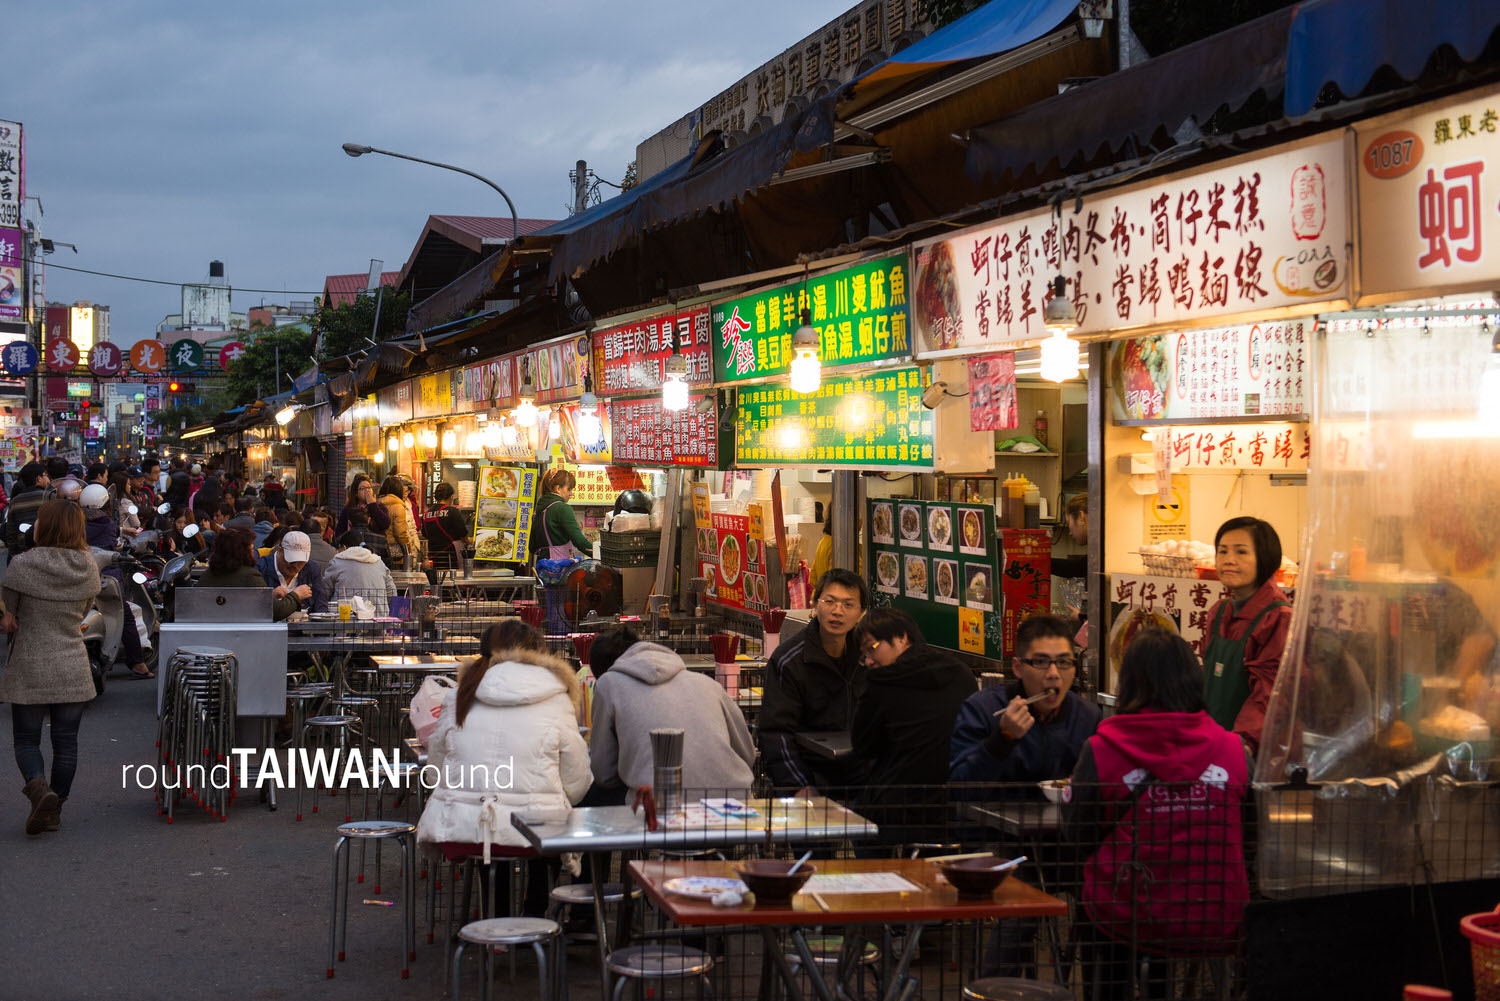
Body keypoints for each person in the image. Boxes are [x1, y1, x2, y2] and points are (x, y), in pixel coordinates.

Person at [1066, 629, 1252, 998]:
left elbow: (1078, 837)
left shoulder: (1103, 750)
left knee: (1091, 899)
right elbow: (1250, 835)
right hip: (1214, 916)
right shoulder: (1234, 751)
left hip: (1123, 917)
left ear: (1129, 682)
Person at [416, 620, 590, 916]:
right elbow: (577, 782)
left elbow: (434, 774)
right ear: (539, 654)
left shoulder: (459, 695)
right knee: (542, 822)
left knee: (489, 826)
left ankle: (493, 918)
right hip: (536, 835)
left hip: (461, 828)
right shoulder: (557, 697)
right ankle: (534, 915)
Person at [0, 500, 102, 835]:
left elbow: (9, 616)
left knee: (27, 740)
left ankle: (40, 790)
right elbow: (86, 608)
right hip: (72, 660)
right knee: (66, 742)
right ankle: (55, 808)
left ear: (46, 526)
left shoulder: (22, 564)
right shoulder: (88, 566)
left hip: (30, 661)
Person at [850, 608, 976, 846]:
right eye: (864, 654)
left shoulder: (882, 681)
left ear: (902, 637)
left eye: (872, 648)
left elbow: (862, 745)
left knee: (858, 813)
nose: (868, 661)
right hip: (956, 808)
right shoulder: (960, 671)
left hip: (897, 810)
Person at [586, 624, 756, 800]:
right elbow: (747, 754)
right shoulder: (707, 683)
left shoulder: (608, 684)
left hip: (662, 808)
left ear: (605, 670)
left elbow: (604, 774)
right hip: (737, 806)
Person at [949, 613, 1101, 787]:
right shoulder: (982, 709)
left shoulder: (1088, 717)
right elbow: (959, 790)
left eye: (1064, 661)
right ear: (1017, 668)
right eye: (1040, 661)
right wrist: (1003, 738)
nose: (1054, 673)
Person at [759, 568, 870, 792]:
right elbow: (775, 733)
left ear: (862, 613)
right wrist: (799, 786)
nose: (837, 611)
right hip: (810, 775)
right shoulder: (789, 660)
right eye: (830, 601)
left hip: (862, 779)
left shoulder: (869, 657)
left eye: (848, 605)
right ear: (815, 604)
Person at [1204, 516, 1292, 755]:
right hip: (1214, 742)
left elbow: (1270, 694)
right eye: (1222, 551)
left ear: (1264, 558)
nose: (1228, 560)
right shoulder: (1219, 612)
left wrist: (1241, 745)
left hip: (1254, 752)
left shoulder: (1278, 618)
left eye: (1241, 552)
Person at [255, 530, 328, 616]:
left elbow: (321, 607)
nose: (296, 566)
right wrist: (269, 596)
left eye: (301, 562)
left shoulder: (312, 569)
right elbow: (251, 606)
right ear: (279, 551)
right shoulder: (260, 569)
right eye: (291, 561)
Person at [325, 529, 398, 610]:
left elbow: (325, 592)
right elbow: (392, 593)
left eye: (339, 549)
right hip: (378, 617)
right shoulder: (378, 562)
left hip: (345, 617)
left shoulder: (337, 562)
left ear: (344, 547)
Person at [529, 468, 592, 560]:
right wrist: (603, 555)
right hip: (560, 568)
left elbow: (532, 548)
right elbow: (580, 542)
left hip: (542, 568)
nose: (571, 493)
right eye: (569, 489)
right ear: (558, 488)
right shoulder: (562, 508)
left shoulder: (537, 512)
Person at [422, 482, 469, 571]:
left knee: (437, 580)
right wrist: (471, 540)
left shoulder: (426, 513)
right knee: (451, 580)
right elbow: (463, 535)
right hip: (450, 557)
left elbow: (425, 534)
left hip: (434, 557)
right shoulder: (452, 511)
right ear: (451, 496)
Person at [5, 461, 51, 551]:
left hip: (22, 550)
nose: (48, 478)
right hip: (47, 549)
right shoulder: (49, 497)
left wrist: (14, 552)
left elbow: (10, 531)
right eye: (45, 475)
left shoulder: (15, 501)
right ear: (39, 478)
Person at [379, 476, 419, 567]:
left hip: (380, 550)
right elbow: (400, 533)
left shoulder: (378, 504)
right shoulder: (398, 506)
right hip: (396, 553)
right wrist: (408, 548)